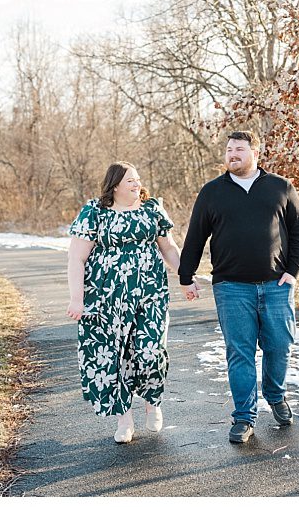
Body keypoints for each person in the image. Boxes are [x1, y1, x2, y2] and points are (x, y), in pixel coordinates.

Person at [178, 130, 299, 445]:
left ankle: (275, 395)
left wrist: (292, 272)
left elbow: (298, 233)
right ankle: (244, 418)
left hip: (276, 285)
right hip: (231, 287)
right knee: (240, 352)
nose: (232, 154)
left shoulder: (281, 188)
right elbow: (195, 237)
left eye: (238, 149)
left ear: (255, 152)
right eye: (228, 150)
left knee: (279, 347)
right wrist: (186, 276)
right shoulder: (212, 192)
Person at [66, 162, 181, 444]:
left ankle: (153, 402)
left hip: (150, 294)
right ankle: (124, 418)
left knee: (151, 350)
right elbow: (76, 259)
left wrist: (187, 277)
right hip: (105, 297)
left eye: (138, 180)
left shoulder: (152, 209)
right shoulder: (95, 212)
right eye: (130, 180)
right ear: (115, 185)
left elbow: (168, 248)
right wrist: (77, 299)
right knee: (112, 356)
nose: (137, 184)